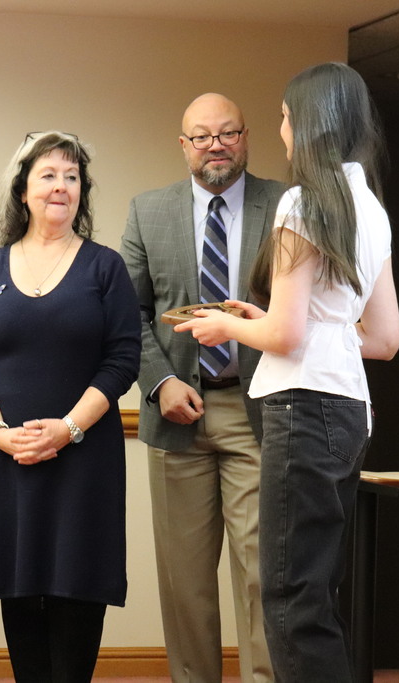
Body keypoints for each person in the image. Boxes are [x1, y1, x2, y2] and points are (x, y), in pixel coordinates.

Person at [174, 63, 399, 683]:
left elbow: (285, 336)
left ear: (309, 122)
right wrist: (271, 317)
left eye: (283, 116)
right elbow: (382, 338)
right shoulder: (370, 209)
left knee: (287, 596)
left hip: (301, 407)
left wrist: (227, 326)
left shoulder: (302, 201)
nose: (280, 129)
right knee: (317, 592)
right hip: (348, 408)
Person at [0, 131, 141, 683]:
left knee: (76, 599)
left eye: (72, 176)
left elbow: (122, 359)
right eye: (48, 175)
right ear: (22, 188)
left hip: (83, 462)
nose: (61, 186)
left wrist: (69, 429)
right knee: (21, 599)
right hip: (6, 461)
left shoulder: (105, 268)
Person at [120, 94, 283, 683]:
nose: (216, 144)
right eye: (202, 136)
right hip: (176, 413)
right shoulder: (148, 211)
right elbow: (128, 314)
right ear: (183, 146)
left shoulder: (284, 205)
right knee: (184, 579)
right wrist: (160, 381)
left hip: (257, 407)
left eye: (228, 132)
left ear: (246, 137)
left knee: (262, 570)